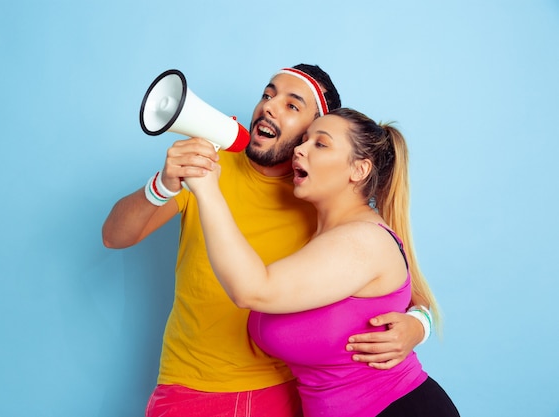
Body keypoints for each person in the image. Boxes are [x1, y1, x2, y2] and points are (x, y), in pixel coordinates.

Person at [102, 65, 431, 417]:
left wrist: (418, 324)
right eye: (268, 95)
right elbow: (114, 236)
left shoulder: (321, 197)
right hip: (191, 384)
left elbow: (395, 285)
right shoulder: (211, 165)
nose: (269, 107)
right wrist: (163, 185)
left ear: (314, 130)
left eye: (292, 106)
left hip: (285, 392)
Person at [183, 107, 460, 417]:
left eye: (321, 144)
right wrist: (421, 321)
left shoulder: (364, 241)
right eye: (303, 140)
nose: (300, 149)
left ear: (359, 170)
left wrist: (207, 190)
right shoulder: (320, 242)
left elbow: (253, 290)